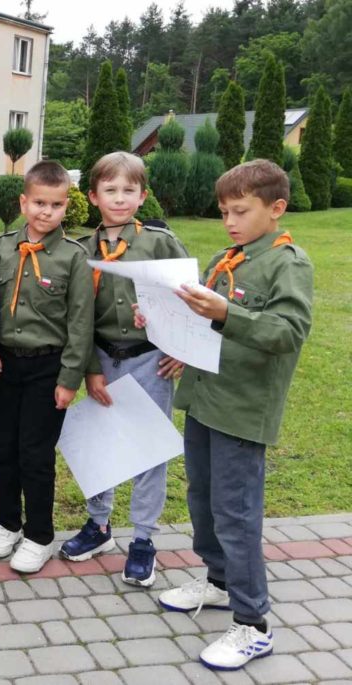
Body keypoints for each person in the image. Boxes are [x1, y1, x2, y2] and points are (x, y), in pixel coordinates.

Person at [151, 159, 313, 671]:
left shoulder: (287, 264)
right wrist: (162, 319)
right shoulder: (227, 258)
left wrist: (226, 313)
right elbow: (201, 321)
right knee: (202, 499)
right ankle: (219, 582)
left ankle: (253, 623)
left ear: (276, 208)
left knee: (236, 514)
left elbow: (288, 332)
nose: (229, 222)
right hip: (204, 400)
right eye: (224, 212)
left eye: (240, 211)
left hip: (242, 410)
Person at [59, 151, 188, 587]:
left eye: (129, 190)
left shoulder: (160, 242)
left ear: (142, 195)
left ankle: (144, 539)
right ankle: (99, 525)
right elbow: (77, 318)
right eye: (110, 190)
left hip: (151, 360)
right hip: (102, 361)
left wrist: (180, 347)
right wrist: (90, 369)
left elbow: (191, 297)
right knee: (101, 444)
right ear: (93, 196)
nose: (119, 198)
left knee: (149, 449)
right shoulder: (81, 250)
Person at [0, 161, 94, 573]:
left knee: (35, 453)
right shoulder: (2, 248)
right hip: (5, 365)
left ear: (67, 206)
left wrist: (69, 379)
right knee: (5, 448)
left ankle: (39, 535)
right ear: (23, 202)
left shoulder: (74, 257)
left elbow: (80, 323)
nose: (46, 212)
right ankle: (8, 522)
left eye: (55, 205)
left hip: (48, 368)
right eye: (38, 203)